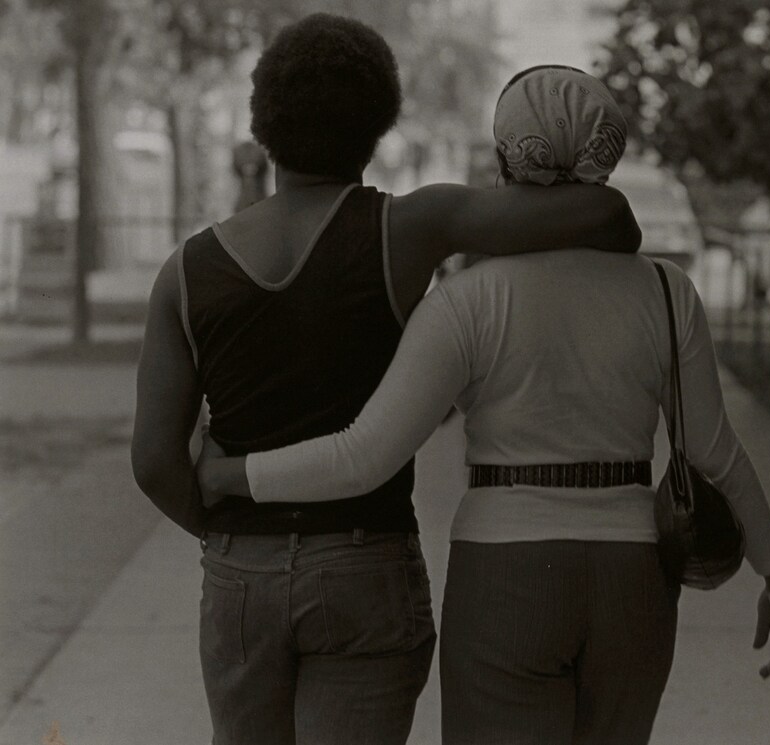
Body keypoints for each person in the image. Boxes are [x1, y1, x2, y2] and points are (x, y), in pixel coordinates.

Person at [197, 65, 770, 745]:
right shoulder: (668, 291)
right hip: (634, 577)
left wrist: (231, 473)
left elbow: (363, 456)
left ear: (503, 159)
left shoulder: (469, 300)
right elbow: (714, 451)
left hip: (507, 573)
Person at [130, 15, 643, 745]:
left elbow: (153, 461)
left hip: (241, 574)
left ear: (263, 123)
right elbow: (608, 212)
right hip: (366, 564)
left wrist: (237, 538)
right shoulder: (409, 227)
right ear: (377, 126)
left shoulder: (184, 273)